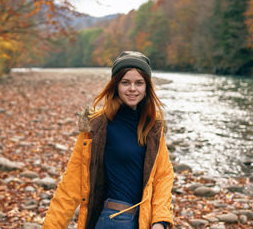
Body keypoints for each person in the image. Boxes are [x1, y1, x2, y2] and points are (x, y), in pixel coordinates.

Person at [42, 51, 174, 229]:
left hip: (144, 220)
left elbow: (163, 176)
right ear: (115, 85)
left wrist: (160, 220)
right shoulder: (97, 127)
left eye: (139, 83)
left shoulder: (152, 127)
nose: (132, 89)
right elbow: (70, 185)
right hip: (115, 220)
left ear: (147, 87)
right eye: (125, 82)